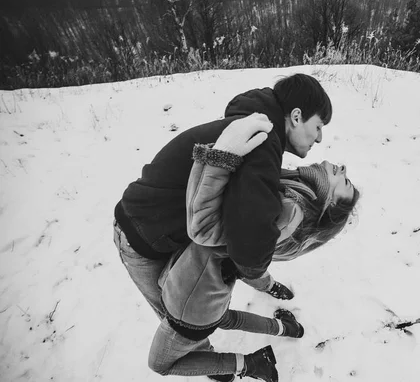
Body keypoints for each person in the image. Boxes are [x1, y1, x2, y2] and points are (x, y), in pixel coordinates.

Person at [147, 114, 360, 382]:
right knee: (227, 319)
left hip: (190, 304)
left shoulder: (289, 210)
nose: (342, 168)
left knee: (160, 364)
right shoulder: (295, 201)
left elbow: (203, 229)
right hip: (209, 291)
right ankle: (287, 328)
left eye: (345, 181)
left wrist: (220, 157)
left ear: (330, 202)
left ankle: (249, 364)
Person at [113, 74, 333, 319]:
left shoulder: (254, 126)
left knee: (188, 309)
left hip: (154, 223)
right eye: (318, 127)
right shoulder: (262, 139)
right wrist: (261, 263)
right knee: (180, 325)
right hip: (142, 235)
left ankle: (264, 287)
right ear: (296, 116)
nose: (320, 138)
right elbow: (249, 239)